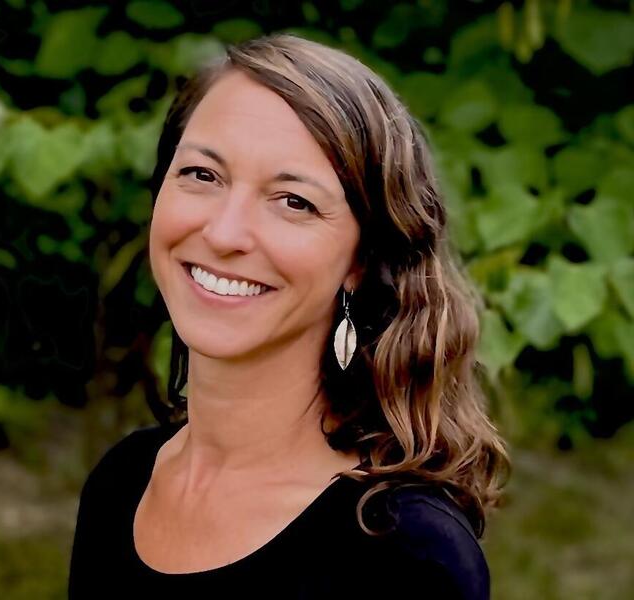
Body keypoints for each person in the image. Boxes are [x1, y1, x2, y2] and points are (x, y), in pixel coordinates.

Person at [68, 33, 510, 599]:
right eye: (203, 175)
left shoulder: (405, 554)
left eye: (293, 202)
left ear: (362, 260)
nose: (223, 233)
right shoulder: (123, 481)